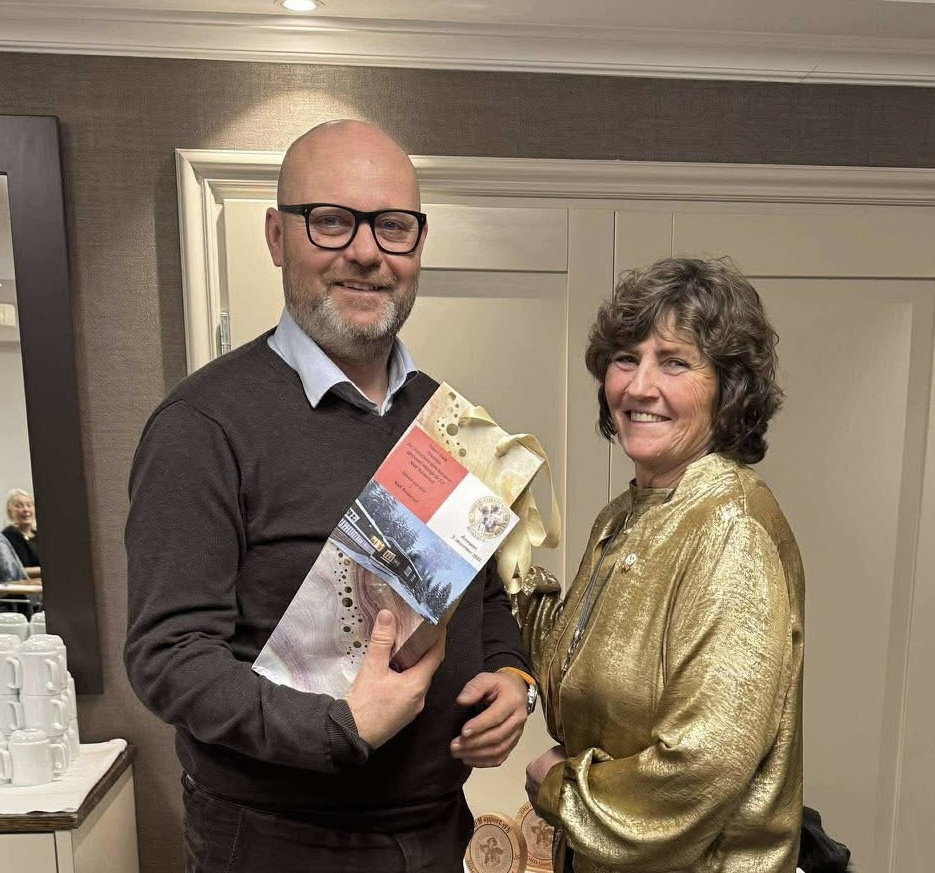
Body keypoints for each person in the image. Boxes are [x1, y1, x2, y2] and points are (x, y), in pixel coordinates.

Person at [124, 120, 534, 873]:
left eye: (393, 226)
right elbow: (169, 656)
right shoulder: (202, 425)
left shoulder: (449, 420)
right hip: (279, 845)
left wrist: (512, 680)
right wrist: (336, 726)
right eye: (332, 220)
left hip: (438, 832)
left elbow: (483, 598)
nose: (367, 252)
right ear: (277, 236)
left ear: (418, 243)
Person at [518, 257, 804, 873]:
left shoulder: (731, 529)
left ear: (728, 388)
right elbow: (579, 674)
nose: (639, 387)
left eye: (674, 362)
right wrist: (498, 556)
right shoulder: (624, 515)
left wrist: (560, 790)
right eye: (626, 358)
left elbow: (700, 768)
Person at [3, 488, 40, 576]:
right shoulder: (9, 535)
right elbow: (19, 570)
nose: (26, 510)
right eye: (19, 506)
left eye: (29, 505)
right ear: (10, 512)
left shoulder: (39, 534)